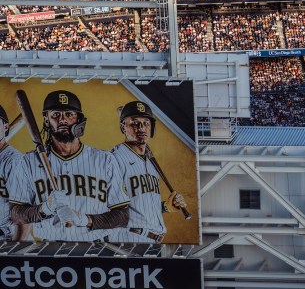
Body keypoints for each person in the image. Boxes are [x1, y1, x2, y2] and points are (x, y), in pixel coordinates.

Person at [8, 90, 129, 242]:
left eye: (69, 114)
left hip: (95, 248)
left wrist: (84, 219)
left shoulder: (105, 160)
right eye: (56, 115)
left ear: (79, 119)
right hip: (48, 249)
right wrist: (44, 209)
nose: (62, 120)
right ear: (46, 120)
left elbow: (123, 215)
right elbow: (15, 213)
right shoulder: (28, 162)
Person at [108, 101, 187, 243]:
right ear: (123, 127)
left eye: (146, 123)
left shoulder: (151, 163)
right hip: (128, 238)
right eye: (134, 123)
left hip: (154, 240)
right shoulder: (114, 159)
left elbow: (141, 203)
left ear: (152, 128)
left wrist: (166, 207)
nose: (141, 128)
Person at [0, 105, 22, 241]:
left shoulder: (14, 161)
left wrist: (16, 251)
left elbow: (25, 215)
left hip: (8, 238)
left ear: (6, 127)